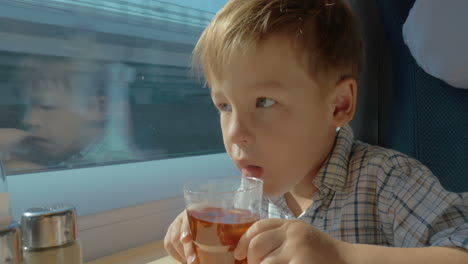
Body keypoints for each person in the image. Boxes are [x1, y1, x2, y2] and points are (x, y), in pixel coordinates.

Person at [164, 0, 468, 263]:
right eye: (224, 106)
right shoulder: (251, 201)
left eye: (264, 102)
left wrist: (343, 258)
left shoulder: (389, 181)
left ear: (339, 105)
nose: (235, 132)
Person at [0, 58, 139, 173]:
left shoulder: (118, 165)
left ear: (99, 109)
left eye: (46, 106)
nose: (29, 120)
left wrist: (34, 175)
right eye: (28, 107)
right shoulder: (72, 150)